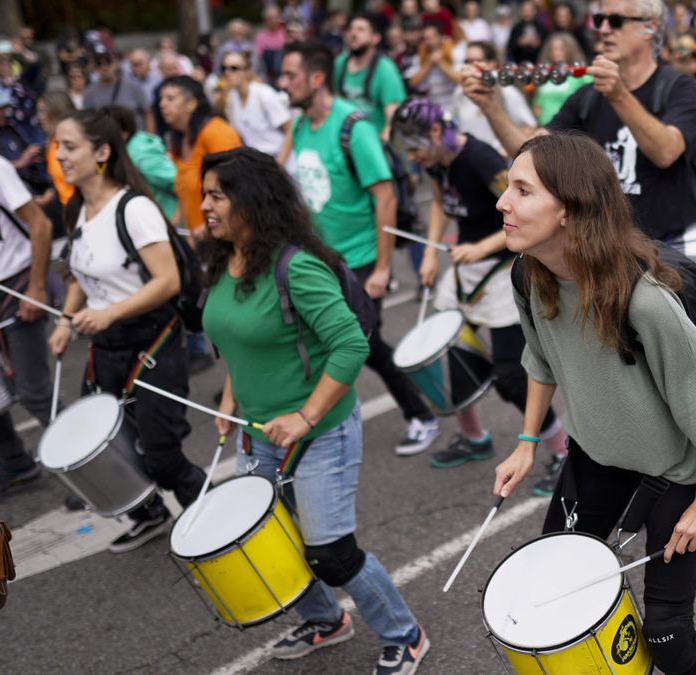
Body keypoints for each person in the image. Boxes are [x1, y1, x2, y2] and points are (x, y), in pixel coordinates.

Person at [492, 131, 696, 675]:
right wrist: (527, 443)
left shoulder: (645, 300)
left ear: (569, 212)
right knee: (552, 593)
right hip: (595, 457)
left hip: (675, 472)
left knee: (667, 634)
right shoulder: (529, 274)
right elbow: (541, 360)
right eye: (508, 187)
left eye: (522, 191)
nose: (503, 202)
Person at [200, 147, 429, 674]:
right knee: (272, 541)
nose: (206, 207)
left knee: (331, 552)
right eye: (204, 195)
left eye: (217, 196)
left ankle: (406, 633)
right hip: (256, 433)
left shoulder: (297, 266)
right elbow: (240, 342)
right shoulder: (221, 261)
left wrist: (304, 417)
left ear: (251, 201)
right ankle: (327, 620)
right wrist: (231, 402)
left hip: (320, 430)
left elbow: (351, 344)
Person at [48, 109, 207, 552]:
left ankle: (210, 523)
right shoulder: (75, 207)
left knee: (162, 454)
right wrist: (65, 320)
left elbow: (168, 281)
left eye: (69, 146)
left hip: (151, 340)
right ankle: (149, 513)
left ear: (102, 152)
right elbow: (79, 274)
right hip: (107, 345)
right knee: (107, 444)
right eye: (57, 145)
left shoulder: (134, 208)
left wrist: (111, 312)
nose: (58, 155)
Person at [464, 0, 696, 275]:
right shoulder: (588, 97)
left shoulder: (680, 89)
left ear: (650, 28)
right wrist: (490, 107)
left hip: (674, 244)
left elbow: (666, 152)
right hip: (612, 246)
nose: (604, 29)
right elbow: (532, 153)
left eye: (616, 21)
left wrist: (619, 95)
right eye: (599, 20)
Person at [393, 99, 570, 491]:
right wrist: (431, 250)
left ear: (436, 133)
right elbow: (440, 201)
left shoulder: (480, 159)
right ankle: (474, 438)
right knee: (447, 357)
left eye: (415, 149)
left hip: (500, 269)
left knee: (510, 374)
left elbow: (519, 213)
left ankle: (562, 451)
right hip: (464, 269)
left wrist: (482, 248)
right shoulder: (437, 159)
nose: (414, 158)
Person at [279, 40, 442, 455]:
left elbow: (384, 196)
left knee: (362, 345)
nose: (282, 84)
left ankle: (422, 414)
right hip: (320, 259)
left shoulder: (354, 127)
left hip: (362, 260)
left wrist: (384, 269)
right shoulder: (299, 127)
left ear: (316, 79)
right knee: (340, 344)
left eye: (290, 75)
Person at [0, 156, 56, 496]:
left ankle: (93, 464)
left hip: (17, 286)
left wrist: (35, 289)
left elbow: (41, 225)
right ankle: (16, 462)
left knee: (34, 392)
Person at [158, 75, 241, 234]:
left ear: (192, 103)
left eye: (170, 98)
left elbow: (238, 187)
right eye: (161, 99)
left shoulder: (215, 131)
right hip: (198, 238)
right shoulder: (179, 140)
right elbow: (185, 196)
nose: (162, 104)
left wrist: (209, 226)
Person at [453, 41, 538, 155]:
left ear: (492, 63)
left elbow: (530, 127)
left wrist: (507, 149)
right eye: (467, 61)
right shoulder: (460, 92)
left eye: (477, 61)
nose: (471, 66)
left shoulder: (508, 92)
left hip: (498, 163)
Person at [334, 13, 410, 139]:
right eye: (351, 29)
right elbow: (334, 100)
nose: (353, 34)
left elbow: (393, 115)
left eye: (361, 30)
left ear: (375, 38)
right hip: (342, 137)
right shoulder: (340, 63)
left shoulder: (385, 68)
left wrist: (381, 144)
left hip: (372, 139)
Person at [105, 105, 178, 223]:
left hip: (166, 219)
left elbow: (176, 181)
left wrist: (176, 218)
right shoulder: (120, 154)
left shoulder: (142, 156)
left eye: (106, 132)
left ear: (124, 133)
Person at [219, 50, 291, 157]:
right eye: (224, 68)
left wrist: (279, 164)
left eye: (234, 68)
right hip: (257, 163)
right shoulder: (231, 98)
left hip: (280, 160)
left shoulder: (264, 94)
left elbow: (290, 130)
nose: (227, 73)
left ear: (247, 71)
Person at [532, 33, 594, 125]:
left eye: (561, 49)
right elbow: (538, 103)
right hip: (545, 128)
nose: (556, 52)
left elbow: (592, 97)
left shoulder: (578, 73)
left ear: (569, 50)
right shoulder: (546, 74)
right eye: (553, 49)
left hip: (570, 130)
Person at [408, 22, 460, 111]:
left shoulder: (454, 52)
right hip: (431, 103)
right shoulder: (419, 56)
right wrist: (428, 63)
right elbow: (412, 82)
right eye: (427, 38)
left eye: (433, 37)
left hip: (451, 102)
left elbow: (460, 79)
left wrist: (441, 63)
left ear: (440, 37)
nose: (430, 41)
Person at [508, 0, 549, 64]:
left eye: (530, 10)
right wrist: (519, 43)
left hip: (537, 63)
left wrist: (538, 44)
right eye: (524, 10)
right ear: (520, 11)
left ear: (535, 11)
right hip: (519, 63)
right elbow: (510, 48)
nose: (527, 13)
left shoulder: (541, 28)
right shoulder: (516, 28)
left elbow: (547, 48)